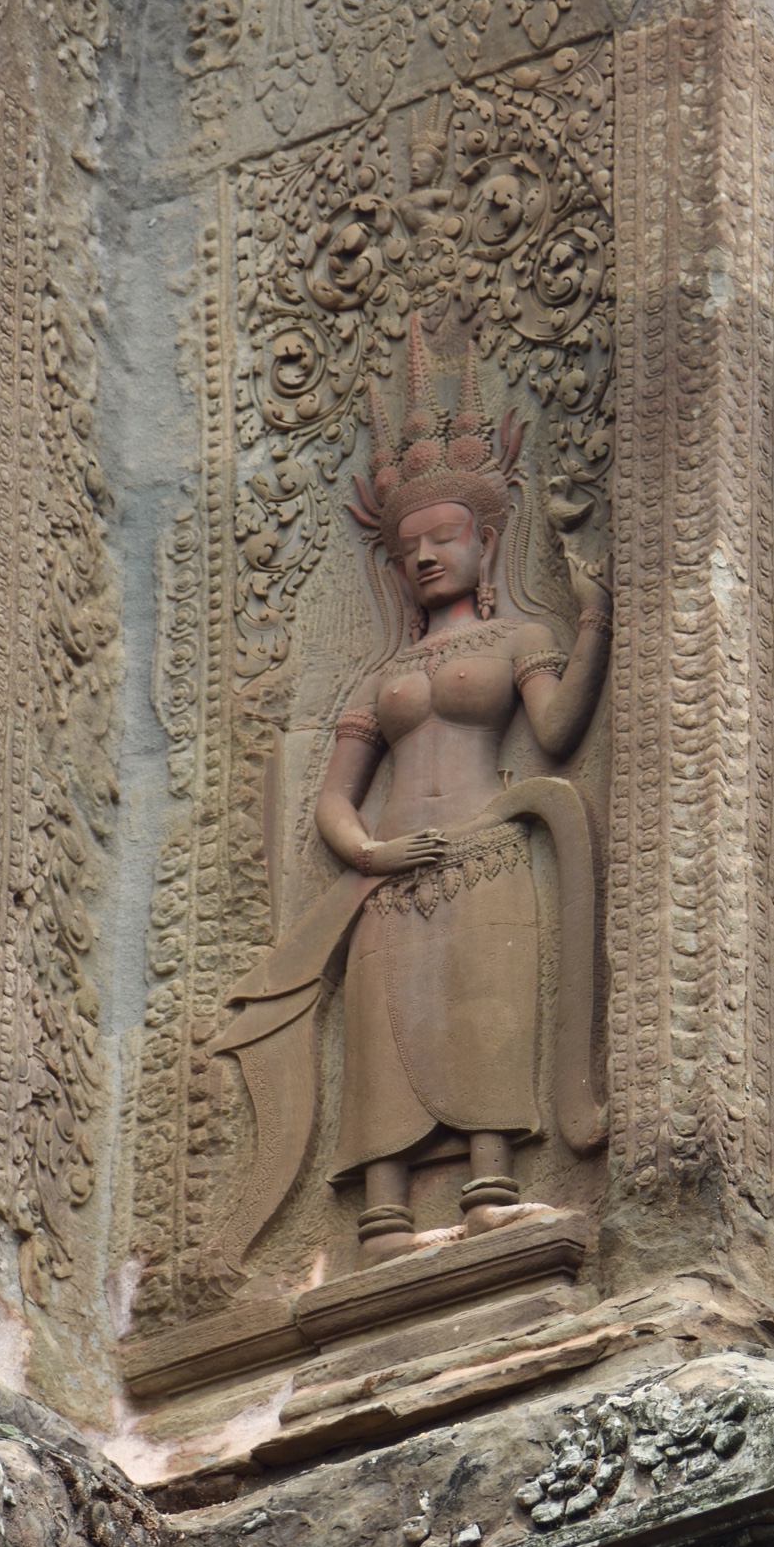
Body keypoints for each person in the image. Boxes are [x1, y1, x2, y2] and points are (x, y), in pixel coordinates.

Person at [211, 317, 610, 1273]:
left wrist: (595, 619)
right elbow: (334, 800)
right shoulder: (383, 674)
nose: (424, 557)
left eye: (443, 539)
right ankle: (383, 1217)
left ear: (486, 540)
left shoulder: (520, 641)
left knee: (484, 1017)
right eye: (406, 548)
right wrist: (368, 852)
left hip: (484, 856)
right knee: (386, 1040)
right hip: (391, 875)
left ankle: (491, 1187)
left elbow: (558, 732)